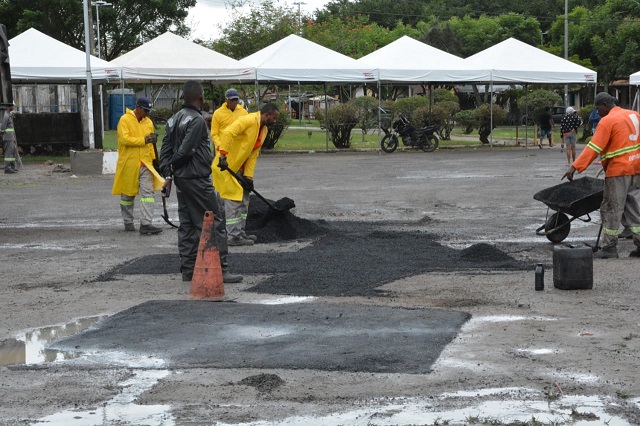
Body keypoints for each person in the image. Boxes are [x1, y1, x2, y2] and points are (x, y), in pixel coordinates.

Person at [159, 80, 242, 283]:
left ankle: (188, 270)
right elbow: (185, 150)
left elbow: (165, 152)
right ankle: (221, 269)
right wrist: (174, 166)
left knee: (187, 224)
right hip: (197, 179)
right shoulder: (196, 121)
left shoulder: (173, 120)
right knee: (214, 220)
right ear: (200, 97)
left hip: (182, 180)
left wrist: (169, 174)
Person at [562, 92, 640, 259]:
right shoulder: (635, 115)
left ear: (605, 104)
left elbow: (594, 147)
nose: (597, 113)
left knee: (611, 208)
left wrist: (575, 167)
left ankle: (609, 247)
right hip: (636, 169)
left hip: (618, 171)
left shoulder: (608, 121)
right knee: (635, 208)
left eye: (598, 108)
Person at [213, 103, 280, 246]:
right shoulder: (248, 121)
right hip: (227, 166)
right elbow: (228, 133)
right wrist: (223, 155)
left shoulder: (264, 130)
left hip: (241, 168)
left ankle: (240, 232)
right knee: (233, 201)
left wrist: (248, 177)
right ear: (266, 115)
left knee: (244, 200)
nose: (275, 121)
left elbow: (253, 154)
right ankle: (232, 236)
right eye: (274, 118)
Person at [111, 97, 164, 234]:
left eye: (148, 111)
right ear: (138, 108)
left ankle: (146, 224)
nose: (146, 114)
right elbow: (125, 139)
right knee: (127, 194)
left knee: (148, 193)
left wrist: (154, 161)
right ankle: (128, 222)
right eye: (145, 110)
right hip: (129, 163)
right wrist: (144, 140)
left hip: (145, 163)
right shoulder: (125, 120)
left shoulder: (148, 123)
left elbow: (151, 144)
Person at [210, 88, 254, 245]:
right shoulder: (218, 114)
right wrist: (219, 146)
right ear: (226, 100)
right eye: (232, 100)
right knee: (229, 197)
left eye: (236, 100)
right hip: (224, 159)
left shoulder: (243, 113)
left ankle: (240, 231)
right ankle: (231, 234)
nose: (234, 103)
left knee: (243, 197)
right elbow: (214, 133)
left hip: (240, 158)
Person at [1, 103, 17, 174]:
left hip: (11, 137)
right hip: (8, 137)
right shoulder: (6, 116)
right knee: (8, 153)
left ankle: (12, 167)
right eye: (12, 106)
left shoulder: (9, 115)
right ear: (9, 107)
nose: (13, 107)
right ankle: (7, 168)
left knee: (12, 153)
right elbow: (2, 128)